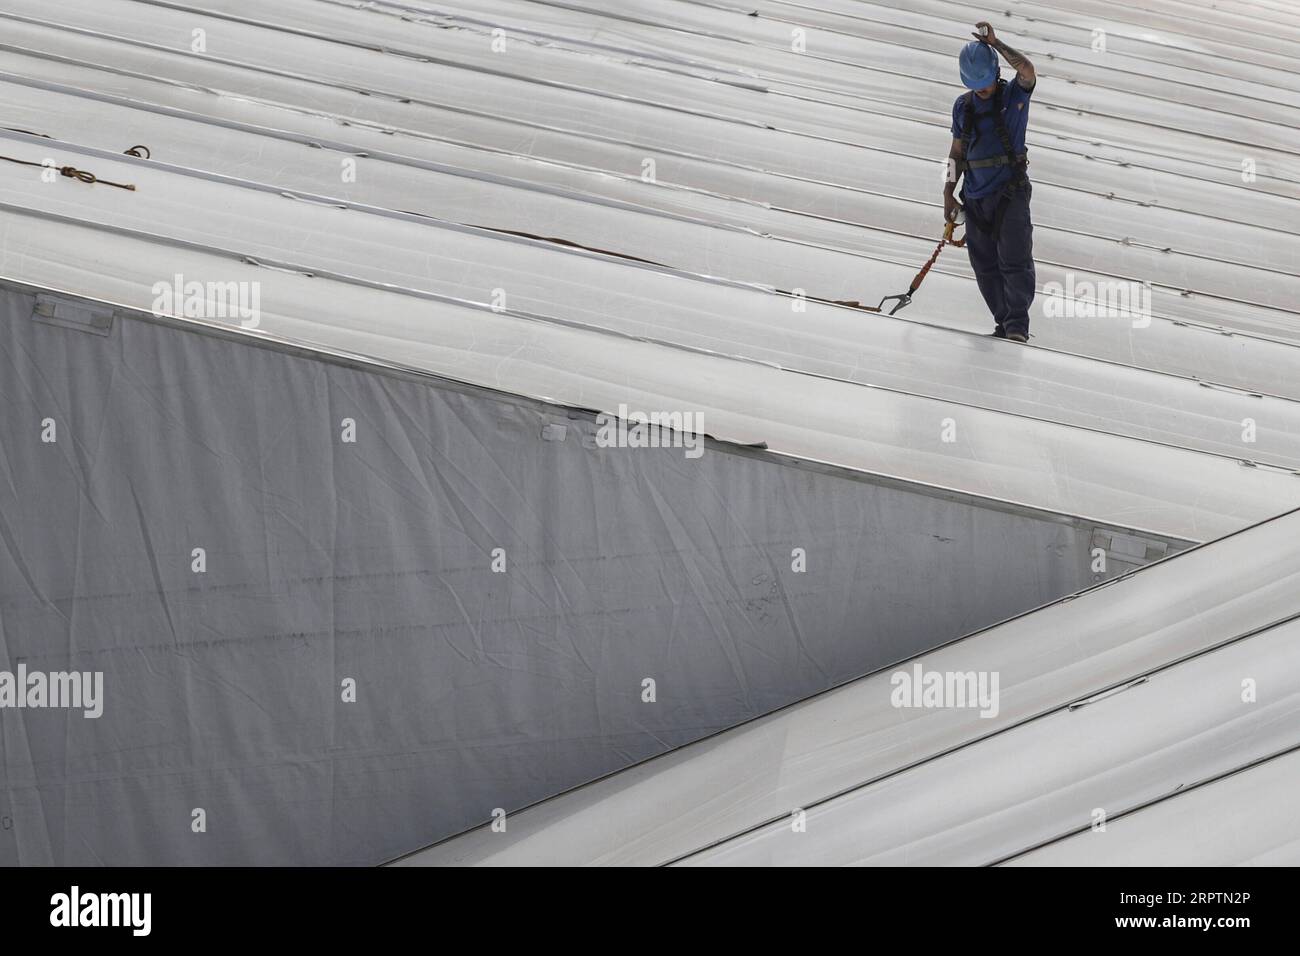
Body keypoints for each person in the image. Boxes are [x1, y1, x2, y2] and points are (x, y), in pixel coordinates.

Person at [943, 22, 1037, 342]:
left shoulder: (1013, 95)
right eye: (976, 85)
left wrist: (997, 44)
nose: (982, 90)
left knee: (1014, 259)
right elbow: (956, 153)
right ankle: (1003, 321)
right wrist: (948, 193)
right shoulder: (963, 107)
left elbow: (1027, 70)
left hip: (1010, 192)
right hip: (975, 197)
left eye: (985, 84)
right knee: (984, 265)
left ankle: (1016, 326)